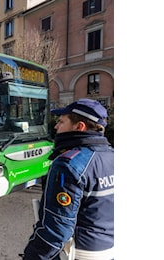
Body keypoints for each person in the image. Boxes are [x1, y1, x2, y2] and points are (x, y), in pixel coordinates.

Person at [22, 98, 114, 260]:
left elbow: (56, 231)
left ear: (79, 127)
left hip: (81, 253)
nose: (56, 126)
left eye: (61, 122)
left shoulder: (69, 164)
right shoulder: (112, 156)